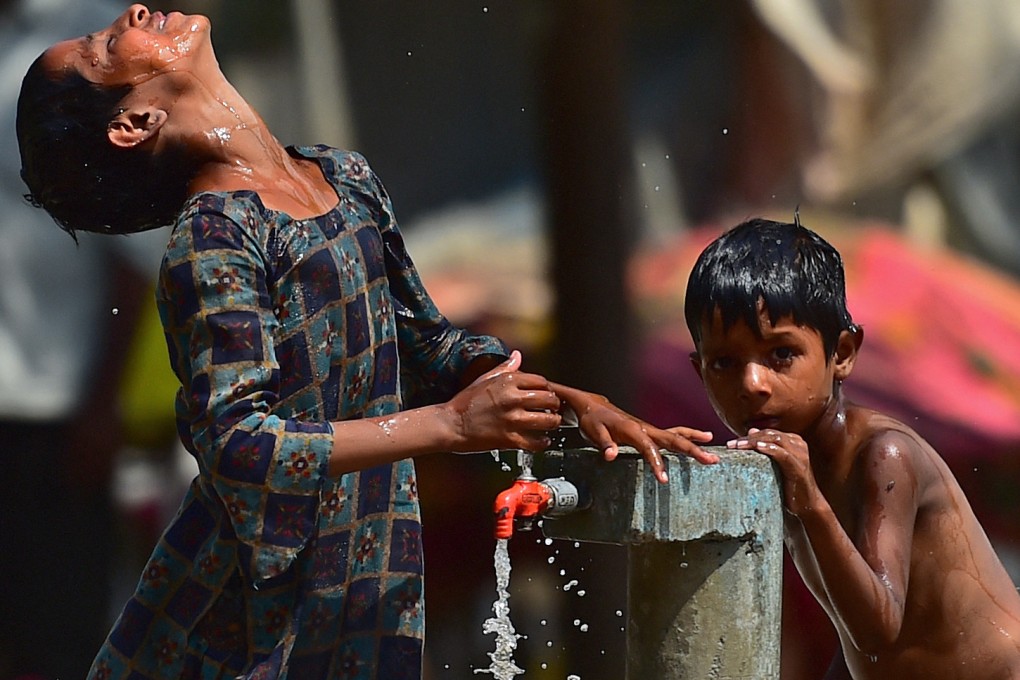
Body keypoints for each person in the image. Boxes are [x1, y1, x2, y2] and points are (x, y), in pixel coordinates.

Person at [16, 5, 718, 678]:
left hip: (364, 590)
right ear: (135, 122)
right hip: (244, 625)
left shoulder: (344, 179)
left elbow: (430, 351)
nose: (134, 12)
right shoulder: (213, 238)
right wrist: (447, 426)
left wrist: (569, 402)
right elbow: (239, 446)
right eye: (105, 47)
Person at [684, 216, 1020, 680]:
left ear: (841, 354)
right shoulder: (787, 462)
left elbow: (879, 626)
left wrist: (812, 506)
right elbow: (856, 632)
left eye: (781, 354)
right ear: (700, 371)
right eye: (724, 363)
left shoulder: (884, 455)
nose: (752, 384)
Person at [0, 1, 169, 678]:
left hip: (55, 403)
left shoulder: (84, 38)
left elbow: (128, 245)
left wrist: (102, 401)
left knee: (59, 635)